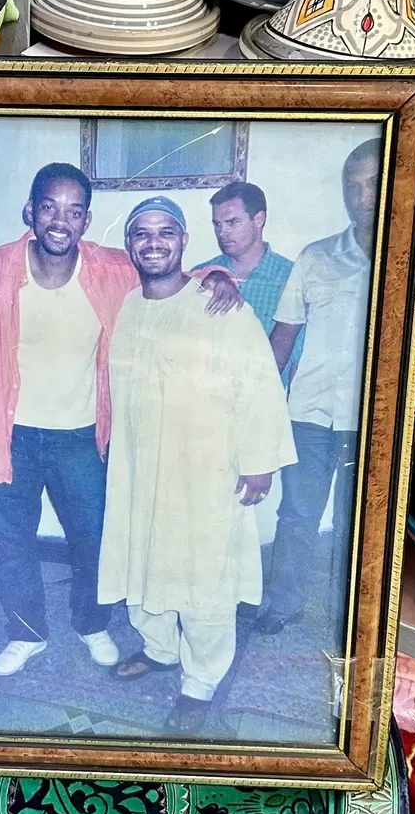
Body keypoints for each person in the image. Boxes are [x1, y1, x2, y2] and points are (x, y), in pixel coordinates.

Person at [0, 164, 241, 677]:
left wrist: (218, 276)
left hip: (83, 438)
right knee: (11, 543)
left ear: (86, 220)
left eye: (74, 211)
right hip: (8, 437)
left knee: (94, 540)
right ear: (31, 211)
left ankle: (91, 624)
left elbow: (169, 279)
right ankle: (26, 633)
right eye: (50, 208)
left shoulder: (109, 269)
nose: (61, 220)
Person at [101, 197, 296, 733]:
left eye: (166, 232)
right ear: (129, 244)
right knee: (142, 556)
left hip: (206, 468)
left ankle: (201, 681)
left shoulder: (219, 305)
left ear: (185, 241)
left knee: (204, 572)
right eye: (142, 233)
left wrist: (259, 461)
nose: (154, 243)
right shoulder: (127, 305)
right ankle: (160, 648)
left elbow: (258, 382)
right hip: (139, 466)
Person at [259, 137, 380, 636]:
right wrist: (259, 404)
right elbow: (283, 337)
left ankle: (352, 611)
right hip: (308, 415)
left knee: (361, 521)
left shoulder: (410, 257)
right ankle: (284, 603)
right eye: (352, 186)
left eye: (372, 184)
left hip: (369, 420)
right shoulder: (315, 257)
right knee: (296, 515)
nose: (362, 197)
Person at [198, 181, 294, 334]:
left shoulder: (291, 278)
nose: (222, 233)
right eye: (217, 224)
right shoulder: (201, 275)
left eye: (232, 222)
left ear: (259, 219)